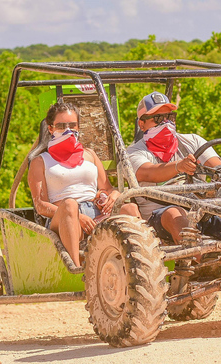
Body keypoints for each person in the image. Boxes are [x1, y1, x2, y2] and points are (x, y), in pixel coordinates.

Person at [127, 92, 221, 244]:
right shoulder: (133, 152)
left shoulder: (192, 141)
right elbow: (149, 173)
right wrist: (178, 166)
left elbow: (216, 165)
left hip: (201, 209)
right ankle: (198, 256)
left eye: (170, 117)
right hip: (161, 214)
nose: (166, 122)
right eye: (158, 118)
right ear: (142, 124)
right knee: (176, 215)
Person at [28, 101, 140, 266]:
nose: (68, 130)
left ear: (79, 127)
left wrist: (114, 195)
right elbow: (40, 205)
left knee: (130, 208)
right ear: (50, 128)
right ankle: (75, 268)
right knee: (70, 205)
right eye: (61, 126)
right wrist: (77, 216)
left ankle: (137, 264)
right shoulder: (40, 161)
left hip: (95, 211)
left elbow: (107, 188)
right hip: (62, 215)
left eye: (72, 125)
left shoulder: (90, 155)